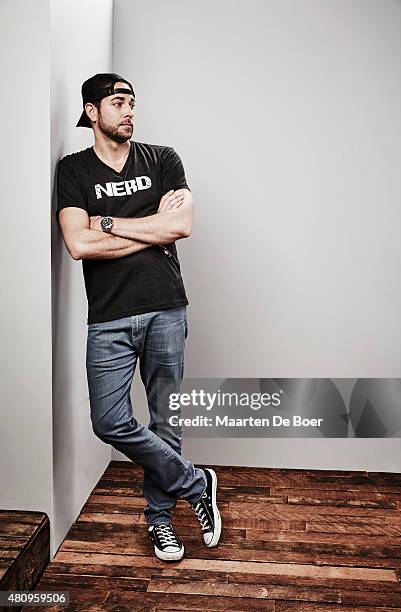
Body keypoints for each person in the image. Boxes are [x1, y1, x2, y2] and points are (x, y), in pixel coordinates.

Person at [55, 73, 221, 562]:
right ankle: (197, 483)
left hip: (166, 306)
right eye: (119, 102)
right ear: (92, 111)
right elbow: (78, 243)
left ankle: (161, 522)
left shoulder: (163, 159)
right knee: (110, 421)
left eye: (132, 102)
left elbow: (182, 225)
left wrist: (105, 222)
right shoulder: (73, 171)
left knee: (166, 420)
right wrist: (152, 229)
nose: (129, 111)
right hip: (108, 316)